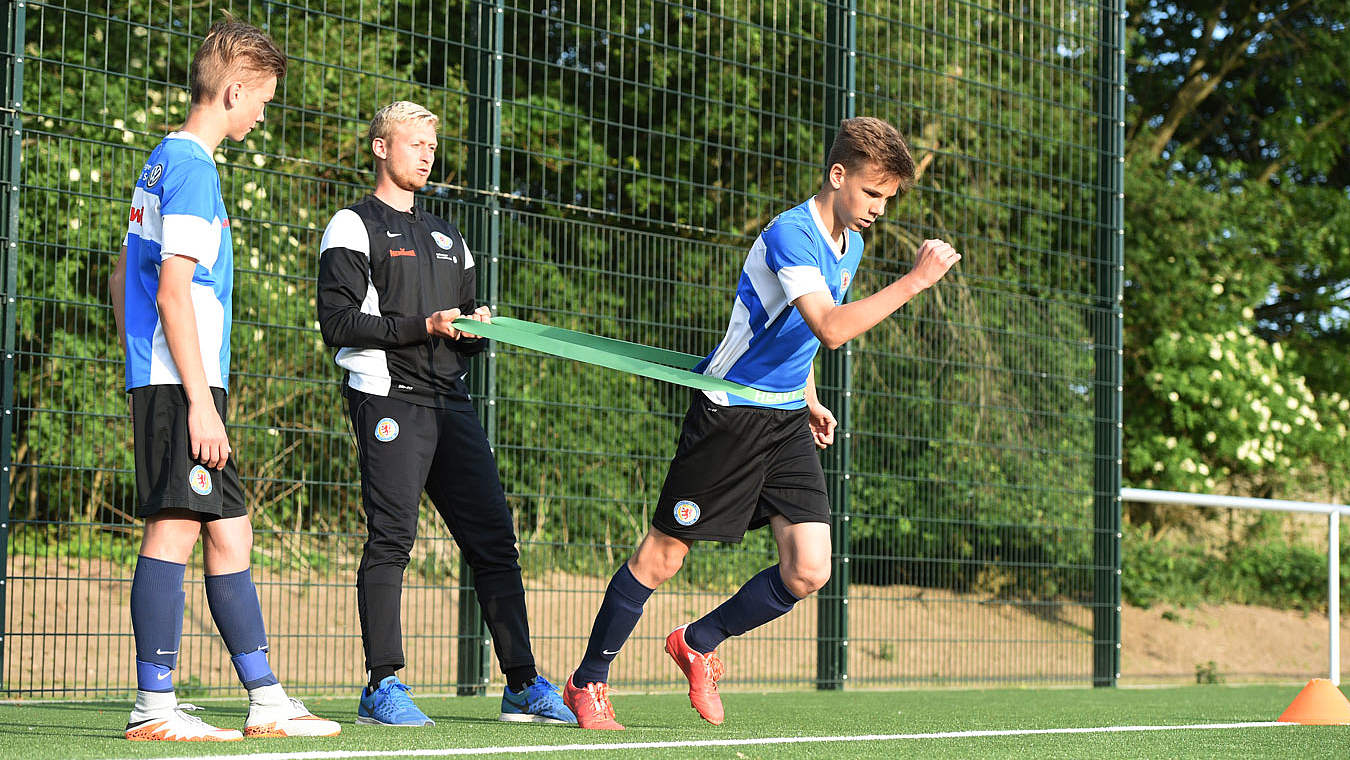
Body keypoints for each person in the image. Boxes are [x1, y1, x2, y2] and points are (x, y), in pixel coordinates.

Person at [561, 117, 961, 730]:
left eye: (889, 198)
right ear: (838, 175)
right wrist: (914, 281)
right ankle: (587, 681)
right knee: (664, 556)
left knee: (809, 569)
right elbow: (829, 328)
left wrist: (808, 398)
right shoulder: (790, 235)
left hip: (783, 423)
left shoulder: (849, 244)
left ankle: (697, 642)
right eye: (874, 193)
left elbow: (795, 335)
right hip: (730, 415)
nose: (880, 208)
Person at [109, 16, 340, 742]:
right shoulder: (193, 168)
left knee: (231, 534)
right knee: (175, 530)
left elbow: (123, 276)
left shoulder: (164, 161)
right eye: (264, 100)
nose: (265, 113)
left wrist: (142, 370)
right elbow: (172, 292)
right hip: (186, 387)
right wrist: (194, 400)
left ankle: (266, 699)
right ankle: (154, 707)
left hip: (176, 381)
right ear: (235, 90)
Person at [316, 101, 575, 727]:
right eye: (415, 143)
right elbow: (339, 324)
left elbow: (463, 323)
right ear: (381, 148)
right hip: (386, 396)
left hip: (449, 400)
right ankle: (382, 685)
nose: (428, 154)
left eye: (433, 145)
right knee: (392, 540)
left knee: (495, 540)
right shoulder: (351, 226)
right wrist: (422, 325)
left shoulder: (448, 235)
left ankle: (520, 684)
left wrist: (476, 328)